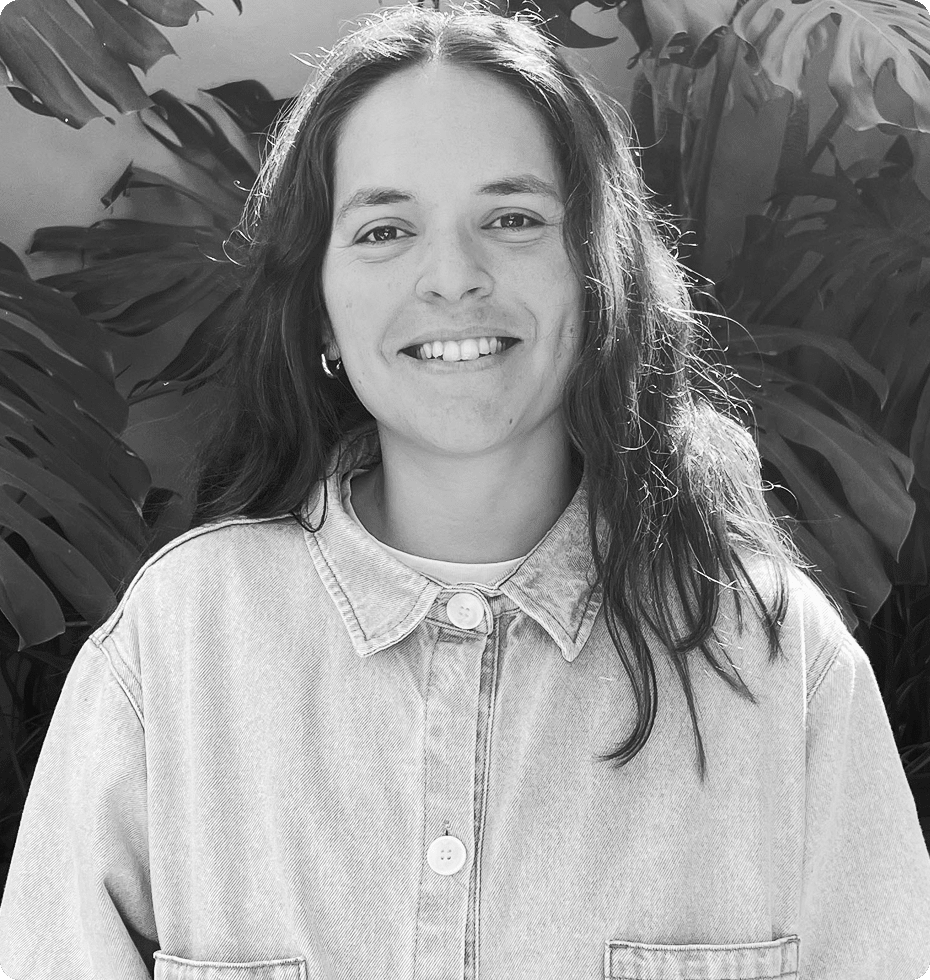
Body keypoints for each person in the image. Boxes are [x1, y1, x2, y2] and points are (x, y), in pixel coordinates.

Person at [1, 4, 929, 979]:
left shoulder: (778, 662)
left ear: (597, 271)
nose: (452, 276)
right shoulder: (174, 649)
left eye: (513, 218)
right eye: (385, 229)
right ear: (319, 309)